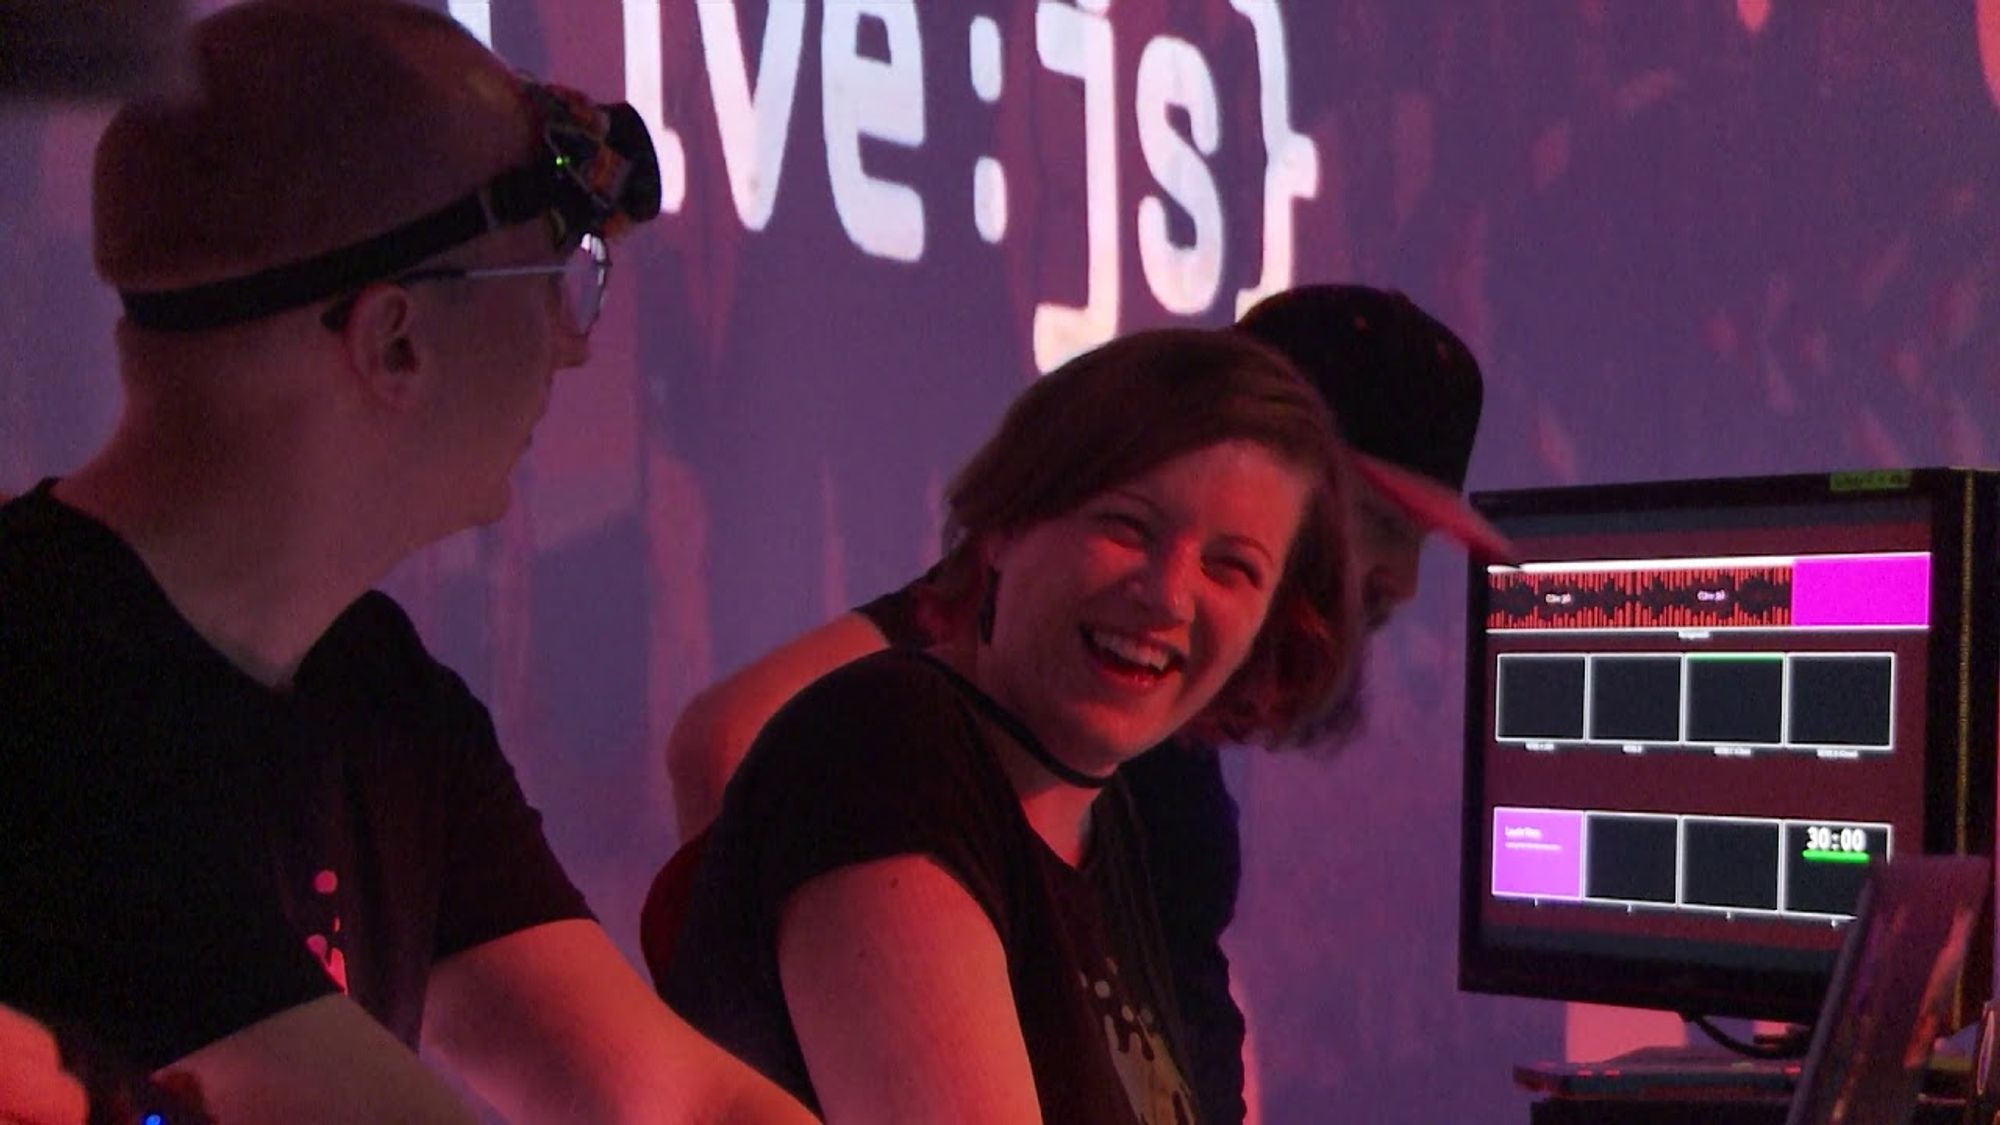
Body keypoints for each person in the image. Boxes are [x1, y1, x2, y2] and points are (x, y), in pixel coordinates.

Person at [0, 2, 812, 1121]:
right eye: (547, 287)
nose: (570, 348)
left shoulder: (377, 691)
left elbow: (670, 1101)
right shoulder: (46, 686)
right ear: (394, 341)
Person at [660, 284, 1512, 1123]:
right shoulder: (906, 737)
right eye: (1383, 524)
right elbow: (730, 738)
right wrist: (771, 984)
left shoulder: (1108, 788)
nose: (1169, 594)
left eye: (1232, 563)